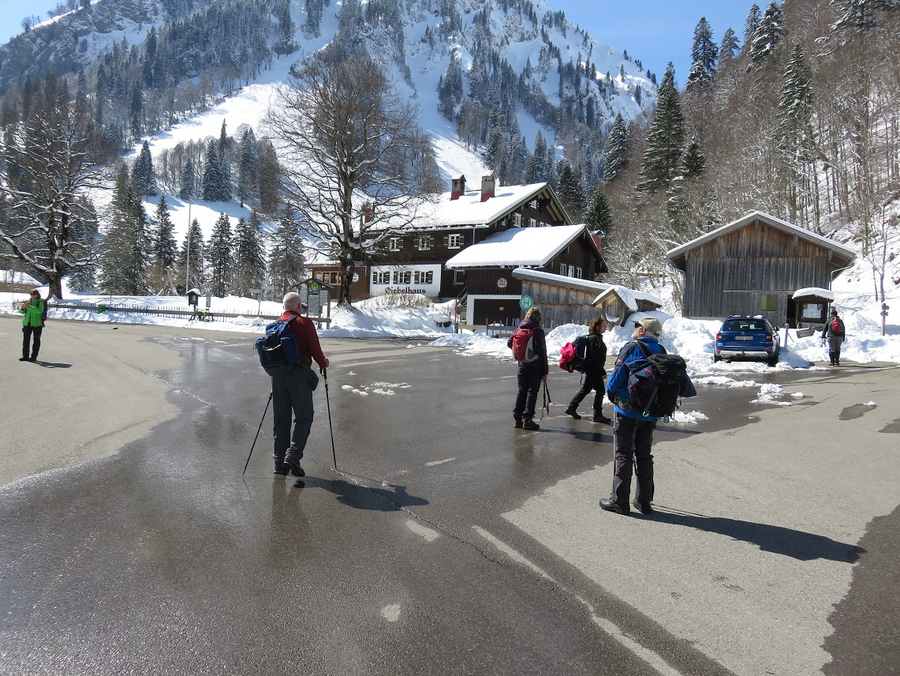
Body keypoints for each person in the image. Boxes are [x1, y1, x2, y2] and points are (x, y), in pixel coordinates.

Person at [600, 316, 666, 516]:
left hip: (627, 410)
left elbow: (616, 378)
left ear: (643, 331)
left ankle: (619, 501)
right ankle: (644, 501)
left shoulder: (632, 348)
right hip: (649, 412)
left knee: (623, 454)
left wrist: (612, 396)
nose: (635, 329)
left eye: (638, 326)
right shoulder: (662, 352)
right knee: (644, 455)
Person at [272, 292, 329, 477]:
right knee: (304, 417)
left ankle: (279, 464)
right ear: (298, 307)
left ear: (284, 307)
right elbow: (315, 350)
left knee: (281, 419)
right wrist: (323, 363)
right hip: (298, 375)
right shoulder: (305, 323)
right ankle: (293, 456)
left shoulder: (276, 325)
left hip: (278, 376)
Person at [507, 307, 548, 431]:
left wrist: (520, 352)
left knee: (522, 391)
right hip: (534, 366)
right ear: (539, 318)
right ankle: (528, 419)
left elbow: (509, 343)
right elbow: (542, 352)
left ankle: (517, 419)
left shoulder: (520, 328)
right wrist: (545, 371)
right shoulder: (538, 331)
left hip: (522, 365)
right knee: (532, 392)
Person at [565, 317, 612, 424]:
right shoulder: (594, 339)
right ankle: (598, 415)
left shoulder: (596, 338)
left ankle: (572, 407)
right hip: (593, 369)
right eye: (603, 325)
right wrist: (602, 372)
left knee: (586, 388)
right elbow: (593, 358)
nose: (605, 327)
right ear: (597, 327)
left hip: (591, 369)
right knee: (600, 390)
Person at [19, 289, 46, 362]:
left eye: (33, 294)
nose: (32, 296)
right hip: (27, 323)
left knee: (36, 340)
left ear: (37, 295)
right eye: (31, 294)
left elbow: (39, 311)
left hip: (37, 324)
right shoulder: (29, 302)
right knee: (26, 340)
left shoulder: (40, 302)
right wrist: (22, 308)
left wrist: (29, 307)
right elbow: (21, 311)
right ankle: (25, 355)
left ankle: (34, 356)